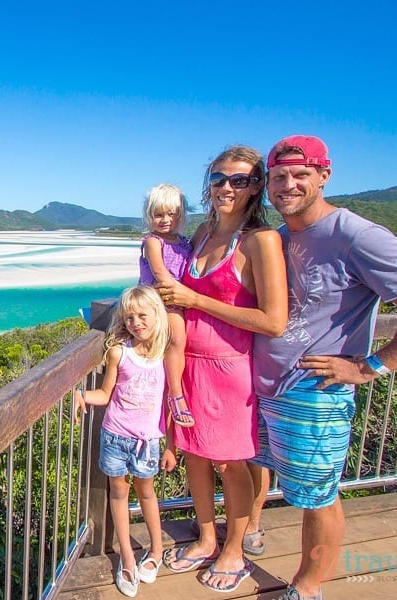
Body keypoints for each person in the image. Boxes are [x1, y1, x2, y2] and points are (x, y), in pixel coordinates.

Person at [252, 135, 397, 600]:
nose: (288, 185)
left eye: (300, 175)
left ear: (324, 175)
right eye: (279, 177)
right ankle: (250, 534)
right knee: (257, 467)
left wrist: (370, 365)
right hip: (261, 386)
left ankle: (308, 585)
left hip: (312, 392)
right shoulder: (278, 237)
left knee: (318, 497)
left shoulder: (357, 235)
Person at [155, 144, 288, 593]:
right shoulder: (201, 233)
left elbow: (273, 320)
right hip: (187, 364)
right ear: (208, 184)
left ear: (257, 189)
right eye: (218, 178)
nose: (227, 187)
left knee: (232, 463)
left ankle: (235, 549)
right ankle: (207, 536)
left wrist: (196, 300)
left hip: (230, 369)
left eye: (241, 180)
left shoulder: (260, 241)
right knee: (194, 452)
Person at [74, 285, 178, 597]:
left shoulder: (165, 355)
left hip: (147, 441)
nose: (135, 323)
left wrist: (172, 445)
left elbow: (171, 402)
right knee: (118, 494)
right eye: (129, 317)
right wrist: (80, 396)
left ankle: (156, 552)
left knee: (147, 493)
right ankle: (128, 559)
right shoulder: (120, 352)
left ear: (156, 316)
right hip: (115, 437)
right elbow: (106, 394)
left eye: (142, 316)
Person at [138, 183, 194, 427]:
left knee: (180, 343)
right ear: (149, 215)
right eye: (158, 214)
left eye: (171, 214)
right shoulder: (153, 241)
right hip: (159, 299)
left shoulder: (183, 241)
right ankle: (176, 394)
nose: (164, 220)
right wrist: (188, 296)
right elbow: (162, 275)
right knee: (177, 339)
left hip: (177, 297)